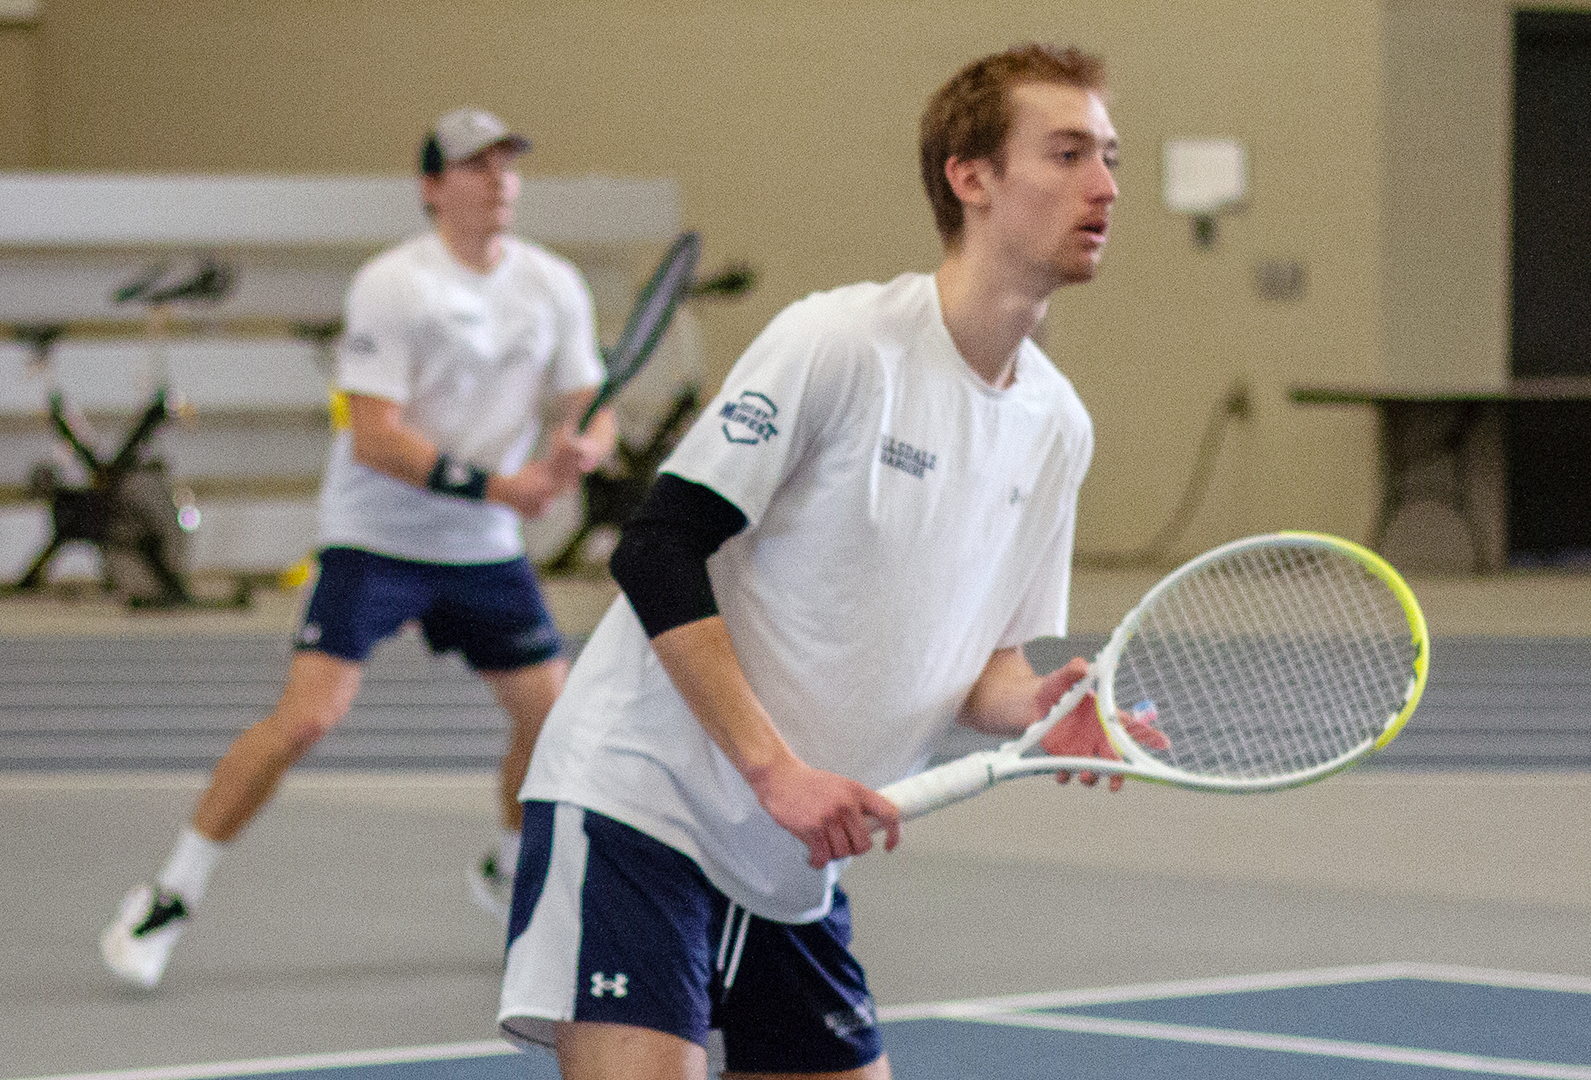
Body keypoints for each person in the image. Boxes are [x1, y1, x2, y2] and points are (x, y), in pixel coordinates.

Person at [498, 44, 1160, 1080]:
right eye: (1068, 153)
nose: (1107, 186)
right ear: (971, 176)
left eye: (1111, 157)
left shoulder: (1055, 427)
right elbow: (658, 549)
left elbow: (979, 664)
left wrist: (1036, 708)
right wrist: (776, 771)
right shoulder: (841, 344)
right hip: (646, 804)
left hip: (791, 861)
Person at [100, 107, 617, 990]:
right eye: (475, 166)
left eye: (508, 164)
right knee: (308, 718)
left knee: (553, 720)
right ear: (431, 188)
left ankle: (506, 868)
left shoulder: (553, 284)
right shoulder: (393, 284)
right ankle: (167, 895)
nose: (499, 181)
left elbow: (588, 400)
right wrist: (501, 485)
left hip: (483, 547)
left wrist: (584, 448)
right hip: (376, 537)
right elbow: (377, 438)